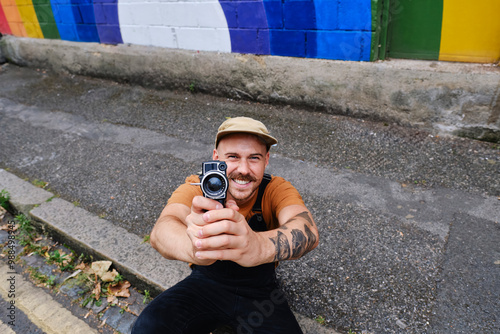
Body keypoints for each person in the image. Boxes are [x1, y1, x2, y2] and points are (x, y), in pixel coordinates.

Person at [132, 117, 319, 334]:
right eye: (232, 157)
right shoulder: (197, 186)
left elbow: (307, 229)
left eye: (254, 158)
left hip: (260, 294)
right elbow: (161, 230)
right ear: (216, 157)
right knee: (149, 328)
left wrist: (257, 246)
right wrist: (195, 246)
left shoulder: (276, 189)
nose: (243, 169)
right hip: (204, 286)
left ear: (266, 160)